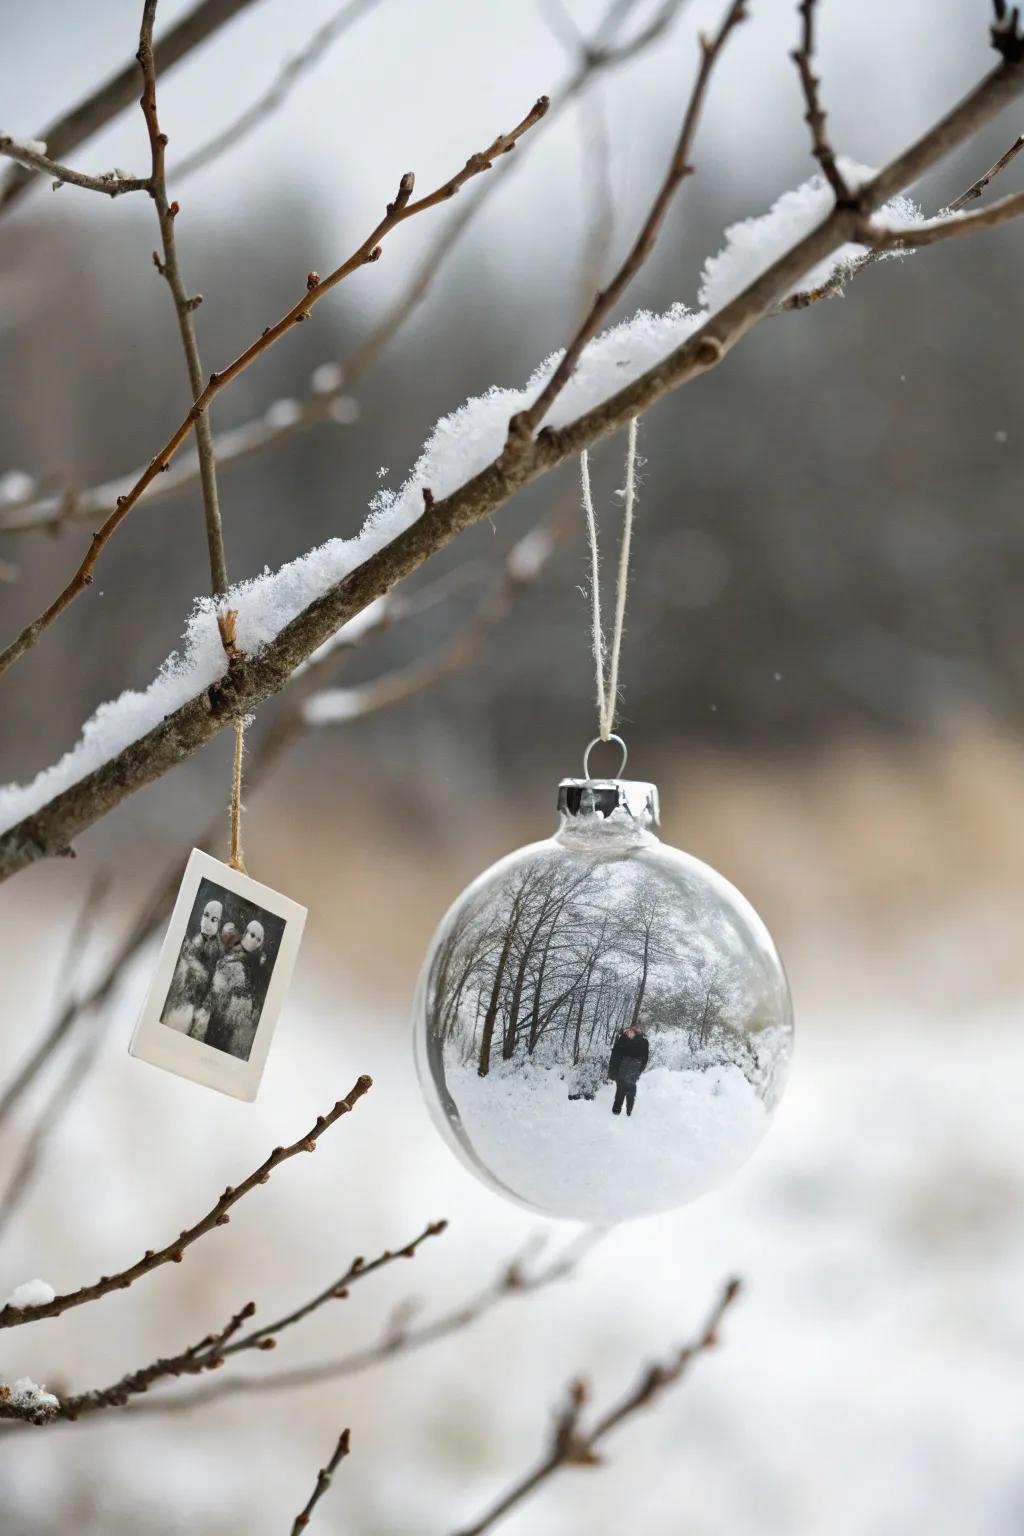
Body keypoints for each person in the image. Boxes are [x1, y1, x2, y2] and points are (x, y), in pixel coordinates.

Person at [161, 898, 222, 1034]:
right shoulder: (196, 939)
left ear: (219, 922)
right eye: (205, 915)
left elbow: (207, 980)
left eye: (213, 919)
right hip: (177, 1000)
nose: (207, 922)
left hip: (191, 1007)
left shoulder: (215, 950)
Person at [607, 1022, 649, 1117]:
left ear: (636, 1031)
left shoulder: (642, 1041)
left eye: (632, 1031)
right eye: (628, 1031)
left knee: (630, 1089)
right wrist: (612, 1071)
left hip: (633, 1070)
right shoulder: (622, 1039)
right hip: (621, 1069)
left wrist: (638, 1070)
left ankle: (629, 1111)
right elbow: (615, 1056)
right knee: (620, 1090)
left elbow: (644, 1059)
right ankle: (616, 1111)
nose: (629, 1033)